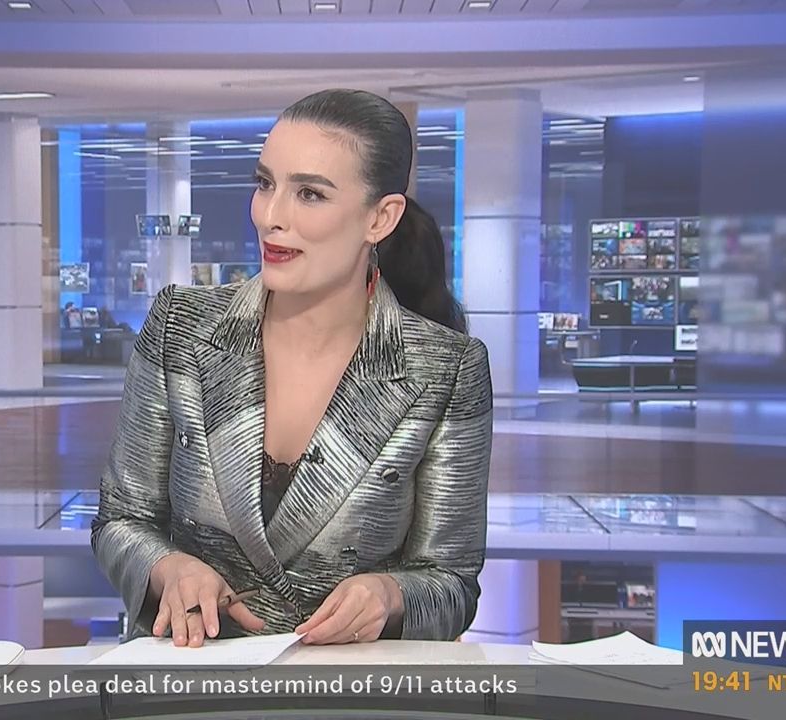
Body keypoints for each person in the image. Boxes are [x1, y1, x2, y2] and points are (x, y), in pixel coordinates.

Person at [92, 89, 493, 649]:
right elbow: (120, 519)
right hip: (195, 677)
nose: (271, 216)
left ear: (381, 217)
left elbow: (451, 582)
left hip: (349, 686)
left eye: (309, 193)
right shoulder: (180, 326)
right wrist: (167, 569)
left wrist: (389, 595)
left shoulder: (447, 369)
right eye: (265, 184)